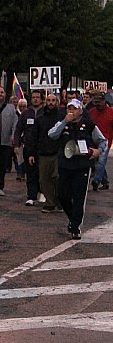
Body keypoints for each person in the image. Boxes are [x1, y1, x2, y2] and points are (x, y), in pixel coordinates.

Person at [48, 99, 107, 240]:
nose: (71, 111)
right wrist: (64, 122)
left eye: (74, 108)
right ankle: (72, 218)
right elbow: (52, 135)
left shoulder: (88, 125)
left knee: (79, 197)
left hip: (82, 165)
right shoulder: (63, 122)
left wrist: (98, 151)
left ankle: (75, 227)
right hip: (65, 164)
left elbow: (103, 140)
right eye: (69, 108)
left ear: (80, 110)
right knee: (62, 195)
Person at [31, 93, 64, 213]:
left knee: (57, 178)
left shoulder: (62, 117)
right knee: (44, 180)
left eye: (53, 100)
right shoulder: (40, 119)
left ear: (57, 102)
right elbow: (34, 136)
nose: (51, 102)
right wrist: (31, 153)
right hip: (43, 153)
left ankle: (60, 201)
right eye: (49, 100)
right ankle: (50, 203)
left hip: (57, 152)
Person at [14, 89, 45, 206]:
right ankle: (31, 196)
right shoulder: (26, 113)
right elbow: (18, 130)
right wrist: (16, 144)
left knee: (42, 172)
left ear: (42, 99)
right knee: (30, 172)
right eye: (33, 97)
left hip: (43, 148)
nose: (35, 99)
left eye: (38, 97)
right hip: (29, 147)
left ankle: (42, 192)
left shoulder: (45, 112)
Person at [89, 92, 113, 191]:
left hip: (106, 141)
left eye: (99, 102)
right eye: (96, 102)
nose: (97, 104)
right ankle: (105, 182)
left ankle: (96, 180)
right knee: (98, 162)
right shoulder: (91, 112)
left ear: (104, 101)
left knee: (101, 161)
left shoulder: (111, 112)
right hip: (94, 141)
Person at [13, 98, 28, 181]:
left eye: (24, 106)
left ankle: (23, 173)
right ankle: (19, 173)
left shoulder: (28, 114)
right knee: (18, 157)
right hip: (19, 139)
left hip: (26, 139)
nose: (22, 108)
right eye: (21, 106)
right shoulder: (16, 114)